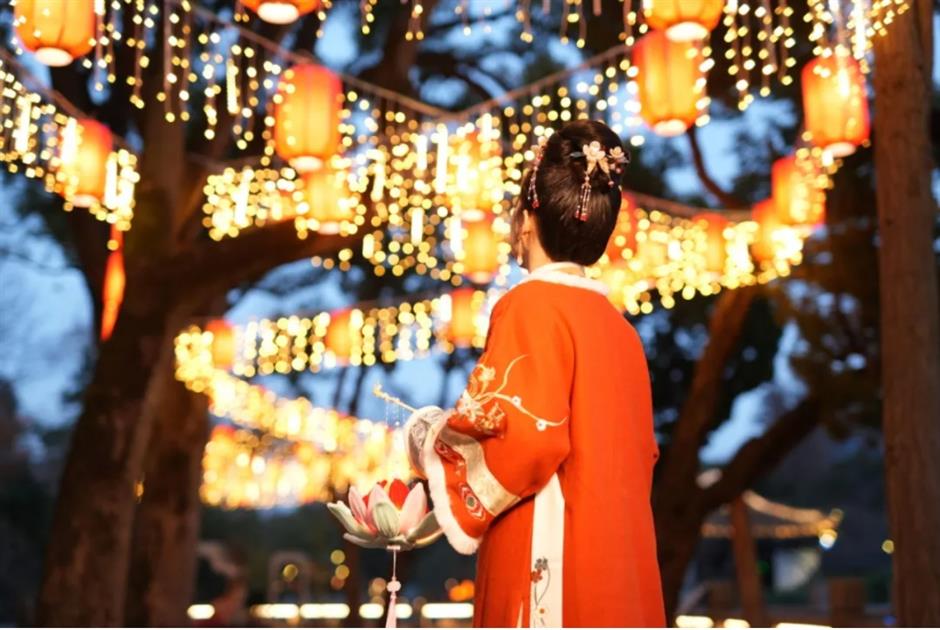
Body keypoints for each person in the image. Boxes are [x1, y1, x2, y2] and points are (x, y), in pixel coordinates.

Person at [405, 120, 665, 627]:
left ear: (526, 218)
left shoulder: (531, 304)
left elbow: (523, 434)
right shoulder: (621, 331)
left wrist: (427, 437)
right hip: (620, 563)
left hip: (555, 555)